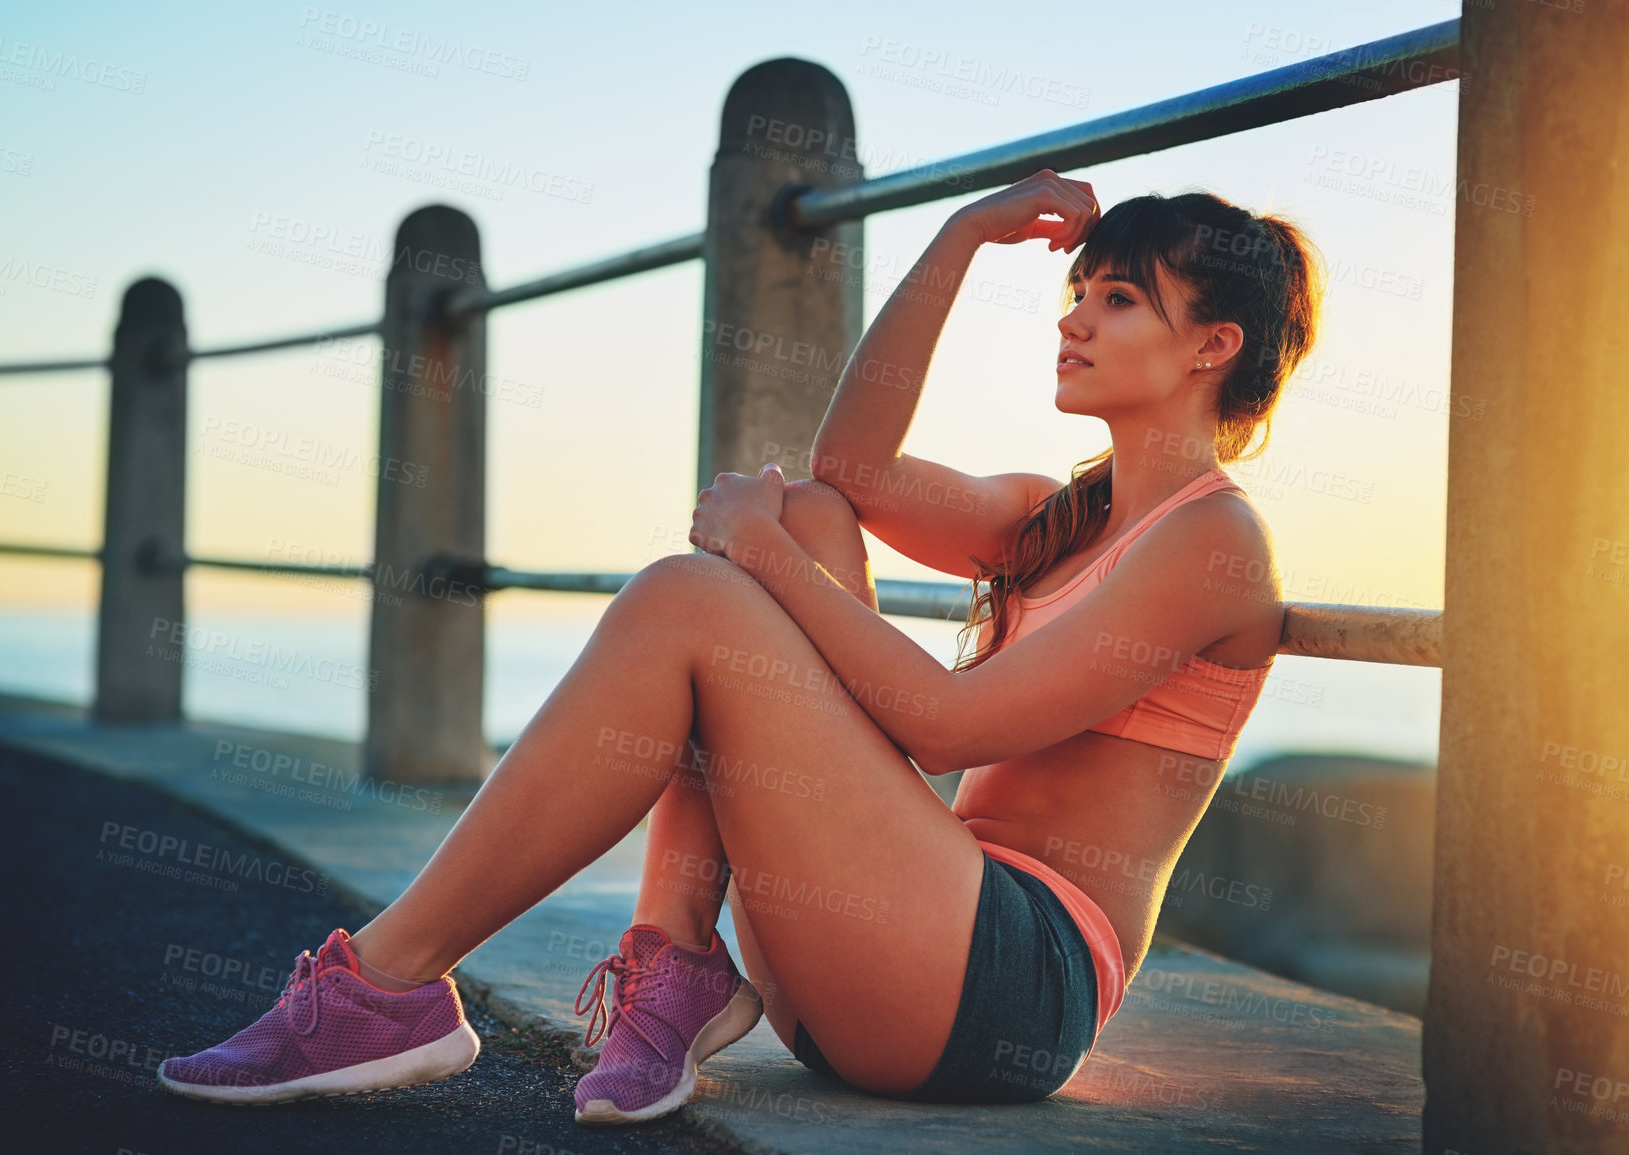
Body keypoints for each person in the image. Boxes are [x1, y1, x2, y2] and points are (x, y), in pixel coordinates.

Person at [155, 169, 1320, 1124]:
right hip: (878, 967)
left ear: (1213, 345)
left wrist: (760, 560)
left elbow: (952, 727)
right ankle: (672, 965)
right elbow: (849, 470)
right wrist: (961, 239)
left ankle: (390, 982)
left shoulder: (1212, 542)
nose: (1073, 320)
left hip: (1008, 993)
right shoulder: (1057, 514)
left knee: (698, 593)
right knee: (811, 514)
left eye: (1117, 300)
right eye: (1078, 293)